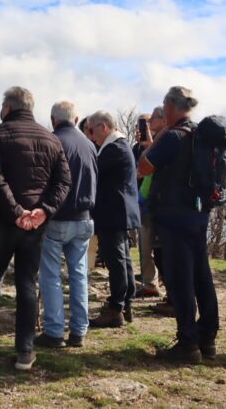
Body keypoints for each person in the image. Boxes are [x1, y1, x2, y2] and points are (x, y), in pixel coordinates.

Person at [0, 86, 71, 371]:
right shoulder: (51, 139)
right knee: (27, 283)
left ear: (7, 108)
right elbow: (63, 182)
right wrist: (43, 211)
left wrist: (16, 211)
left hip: (4, 221)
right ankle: (25, 350)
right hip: (35, 224)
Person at [138, 86, 219, 363]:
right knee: (201, 276)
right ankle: (208, 337)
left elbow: (144, 167)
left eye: (164, 104)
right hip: (199, 213)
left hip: (173, 216)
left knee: (181, 279)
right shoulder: (201, 134)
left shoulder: (172, 136)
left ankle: (188, 343)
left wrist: (156, 140)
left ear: (171, 106)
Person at [36, 101, 97, 349]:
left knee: (50, 275)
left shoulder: (51, 141)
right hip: (84, 217)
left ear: (52, 120)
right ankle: (79, 330)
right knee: (79, 275)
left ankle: (53, 331)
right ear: (76, 118)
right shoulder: (90, 145)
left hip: (57, 217)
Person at [87, 110, 140, 328]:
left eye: (92, 130)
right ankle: (125, 302)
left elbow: (93, 171)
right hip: (118, 211)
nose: (91, 135)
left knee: (115, 259)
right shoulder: (119, 146)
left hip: (113, 212)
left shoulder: (114, 148)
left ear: (104, 127)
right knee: (122, 258)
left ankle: (116, 307)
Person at [134, 106, 166, 299]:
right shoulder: (139, 146)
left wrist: (151, 145)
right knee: (144, 247)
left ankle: (164, 284)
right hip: (143, 202)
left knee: (160, 249)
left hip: (158, 203)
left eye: (149, 121)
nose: (146, 125)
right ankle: (149, 283)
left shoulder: (164, 143)